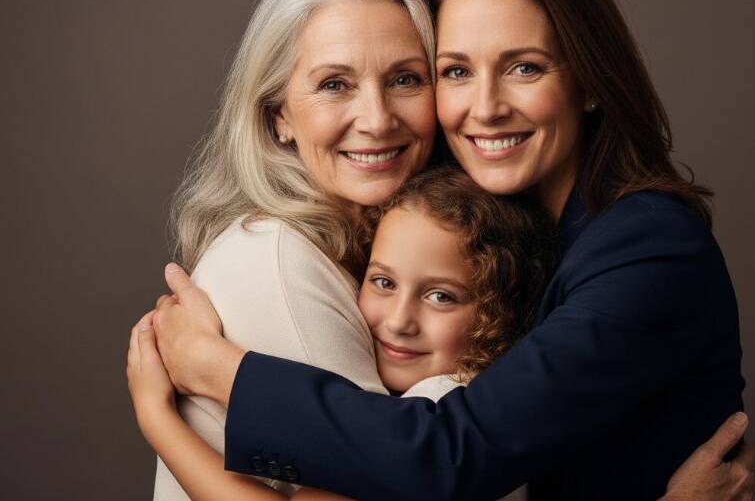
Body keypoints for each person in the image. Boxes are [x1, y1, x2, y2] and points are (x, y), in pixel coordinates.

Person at [140, 0, 754, 501]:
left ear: (590, 82)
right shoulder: (288, 259)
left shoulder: (643, 246)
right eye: (457, 71)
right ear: (275, 112)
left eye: (525, 67)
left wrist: (217, 373)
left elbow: (447, 455)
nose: (484, 107)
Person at [145, 0, 439, 499]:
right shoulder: (278, 261)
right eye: (335, 84)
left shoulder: (392, 249)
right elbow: (403, 475)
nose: (377, 119)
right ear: (278, 113)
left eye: (405, 79)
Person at [128, 167, 558, 500]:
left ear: (497, 314)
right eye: (383, 283)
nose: (399, 320)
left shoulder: (441, 402)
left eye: (441, 297)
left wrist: (157, 418)